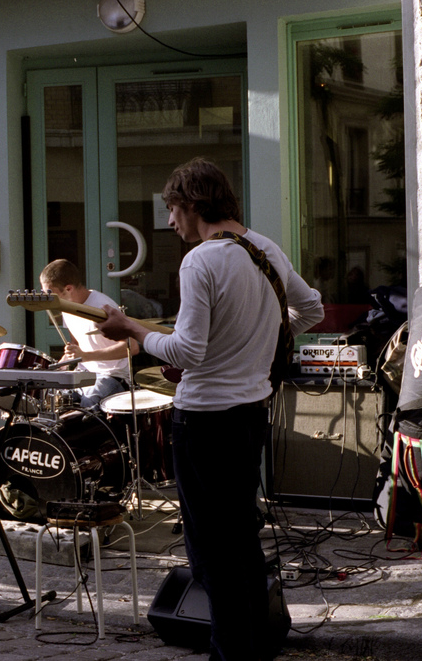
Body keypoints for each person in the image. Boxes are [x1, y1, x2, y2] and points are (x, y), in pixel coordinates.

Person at [96, 158, 324, 661]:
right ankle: (250, 648)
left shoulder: (201, 260)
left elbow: (187, 353)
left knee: (211, 555)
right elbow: (312, 310)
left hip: (203, 421)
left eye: (172, 209)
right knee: (241, 540)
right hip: (249, 416)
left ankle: (230, 654)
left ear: (193, 204)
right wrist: (259, 345)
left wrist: (132, 329)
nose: (170, 222)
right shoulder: (265, 248)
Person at [39, 259, 137, 410]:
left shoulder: (103, 307)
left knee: (89, 404)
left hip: (112, 375)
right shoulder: (67, 307)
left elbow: (132, 347)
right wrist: (58, 367)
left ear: (68, 289)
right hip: (83, 373)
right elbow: (76, 347)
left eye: (50, 293)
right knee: (53, 401)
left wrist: (87, 356)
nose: (48, 298)